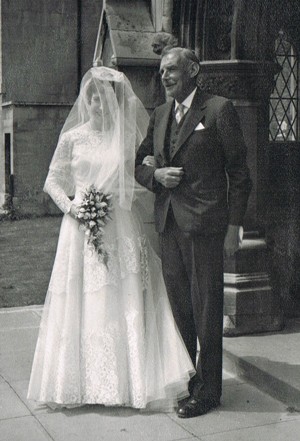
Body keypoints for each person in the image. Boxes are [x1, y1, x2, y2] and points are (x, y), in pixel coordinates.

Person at [27, 66, 195, 411]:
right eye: (93, 98)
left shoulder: (128, 138)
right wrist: (73, 207)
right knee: (85, 300)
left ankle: (128, 383)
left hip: (120, 224)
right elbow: (52, 181)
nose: (99, 104)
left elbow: (143, 172)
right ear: (86, 100)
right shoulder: (72, 137)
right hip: (80, 230)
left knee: (124, 297)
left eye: (106, 98)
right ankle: (81, 385)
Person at [135, 47, 252, 418]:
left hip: (205, 227)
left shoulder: (218, 110)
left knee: (206, 309)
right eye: (161, 71)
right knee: (180, 309)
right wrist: (155, 175)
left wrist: (234, 226)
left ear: (193, 70)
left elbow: (240, 173)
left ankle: (208, 392)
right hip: (169, 225)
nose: (164, 76)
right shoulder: (159, 114)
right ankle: (189, 381)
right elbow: (136, 163)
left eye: (171, 69)